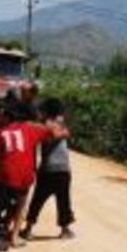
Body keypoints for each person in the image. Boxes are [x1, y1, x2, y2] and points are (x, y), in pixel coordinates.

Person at [0, 106, 69, 247]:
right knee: (21, 203)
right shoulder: (32, 129)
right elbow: (57, 132)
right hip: (25, 176)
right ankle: (14, 237)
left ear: (7, 118)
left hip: (4, 176)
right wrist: (59, 129)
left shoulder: (1, 132)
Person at [20, 98, 76, 240]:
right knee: (63, 200)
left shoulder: (44, 124)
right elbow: (64, 133)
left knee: (38, 199)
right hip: (62, 168)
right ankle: (65, 230)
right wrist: (62, 131)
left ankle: (28, 229)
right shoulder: (58, 124)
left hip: (48, 168)